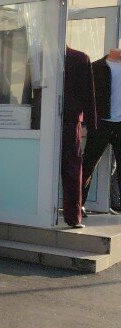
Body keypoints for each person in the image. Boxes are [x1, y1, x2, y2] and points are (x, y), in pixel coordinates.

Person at [82, 49, 121, 214]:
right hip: (101, 124)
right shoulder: (96, 67)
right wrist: (86, 121)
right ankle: (78, 205)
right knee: (87, 165)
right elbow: (86, 96)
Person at [62, 47, 96, 228]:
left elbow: (88, 94)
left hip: (64, 119)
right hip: (69, 119)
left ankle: (73, 216)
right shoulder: (79, 58)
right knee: (72, 168)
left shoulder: (80, 58)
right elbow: (88, 94)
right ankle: (73, 217)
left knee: (72, 167)